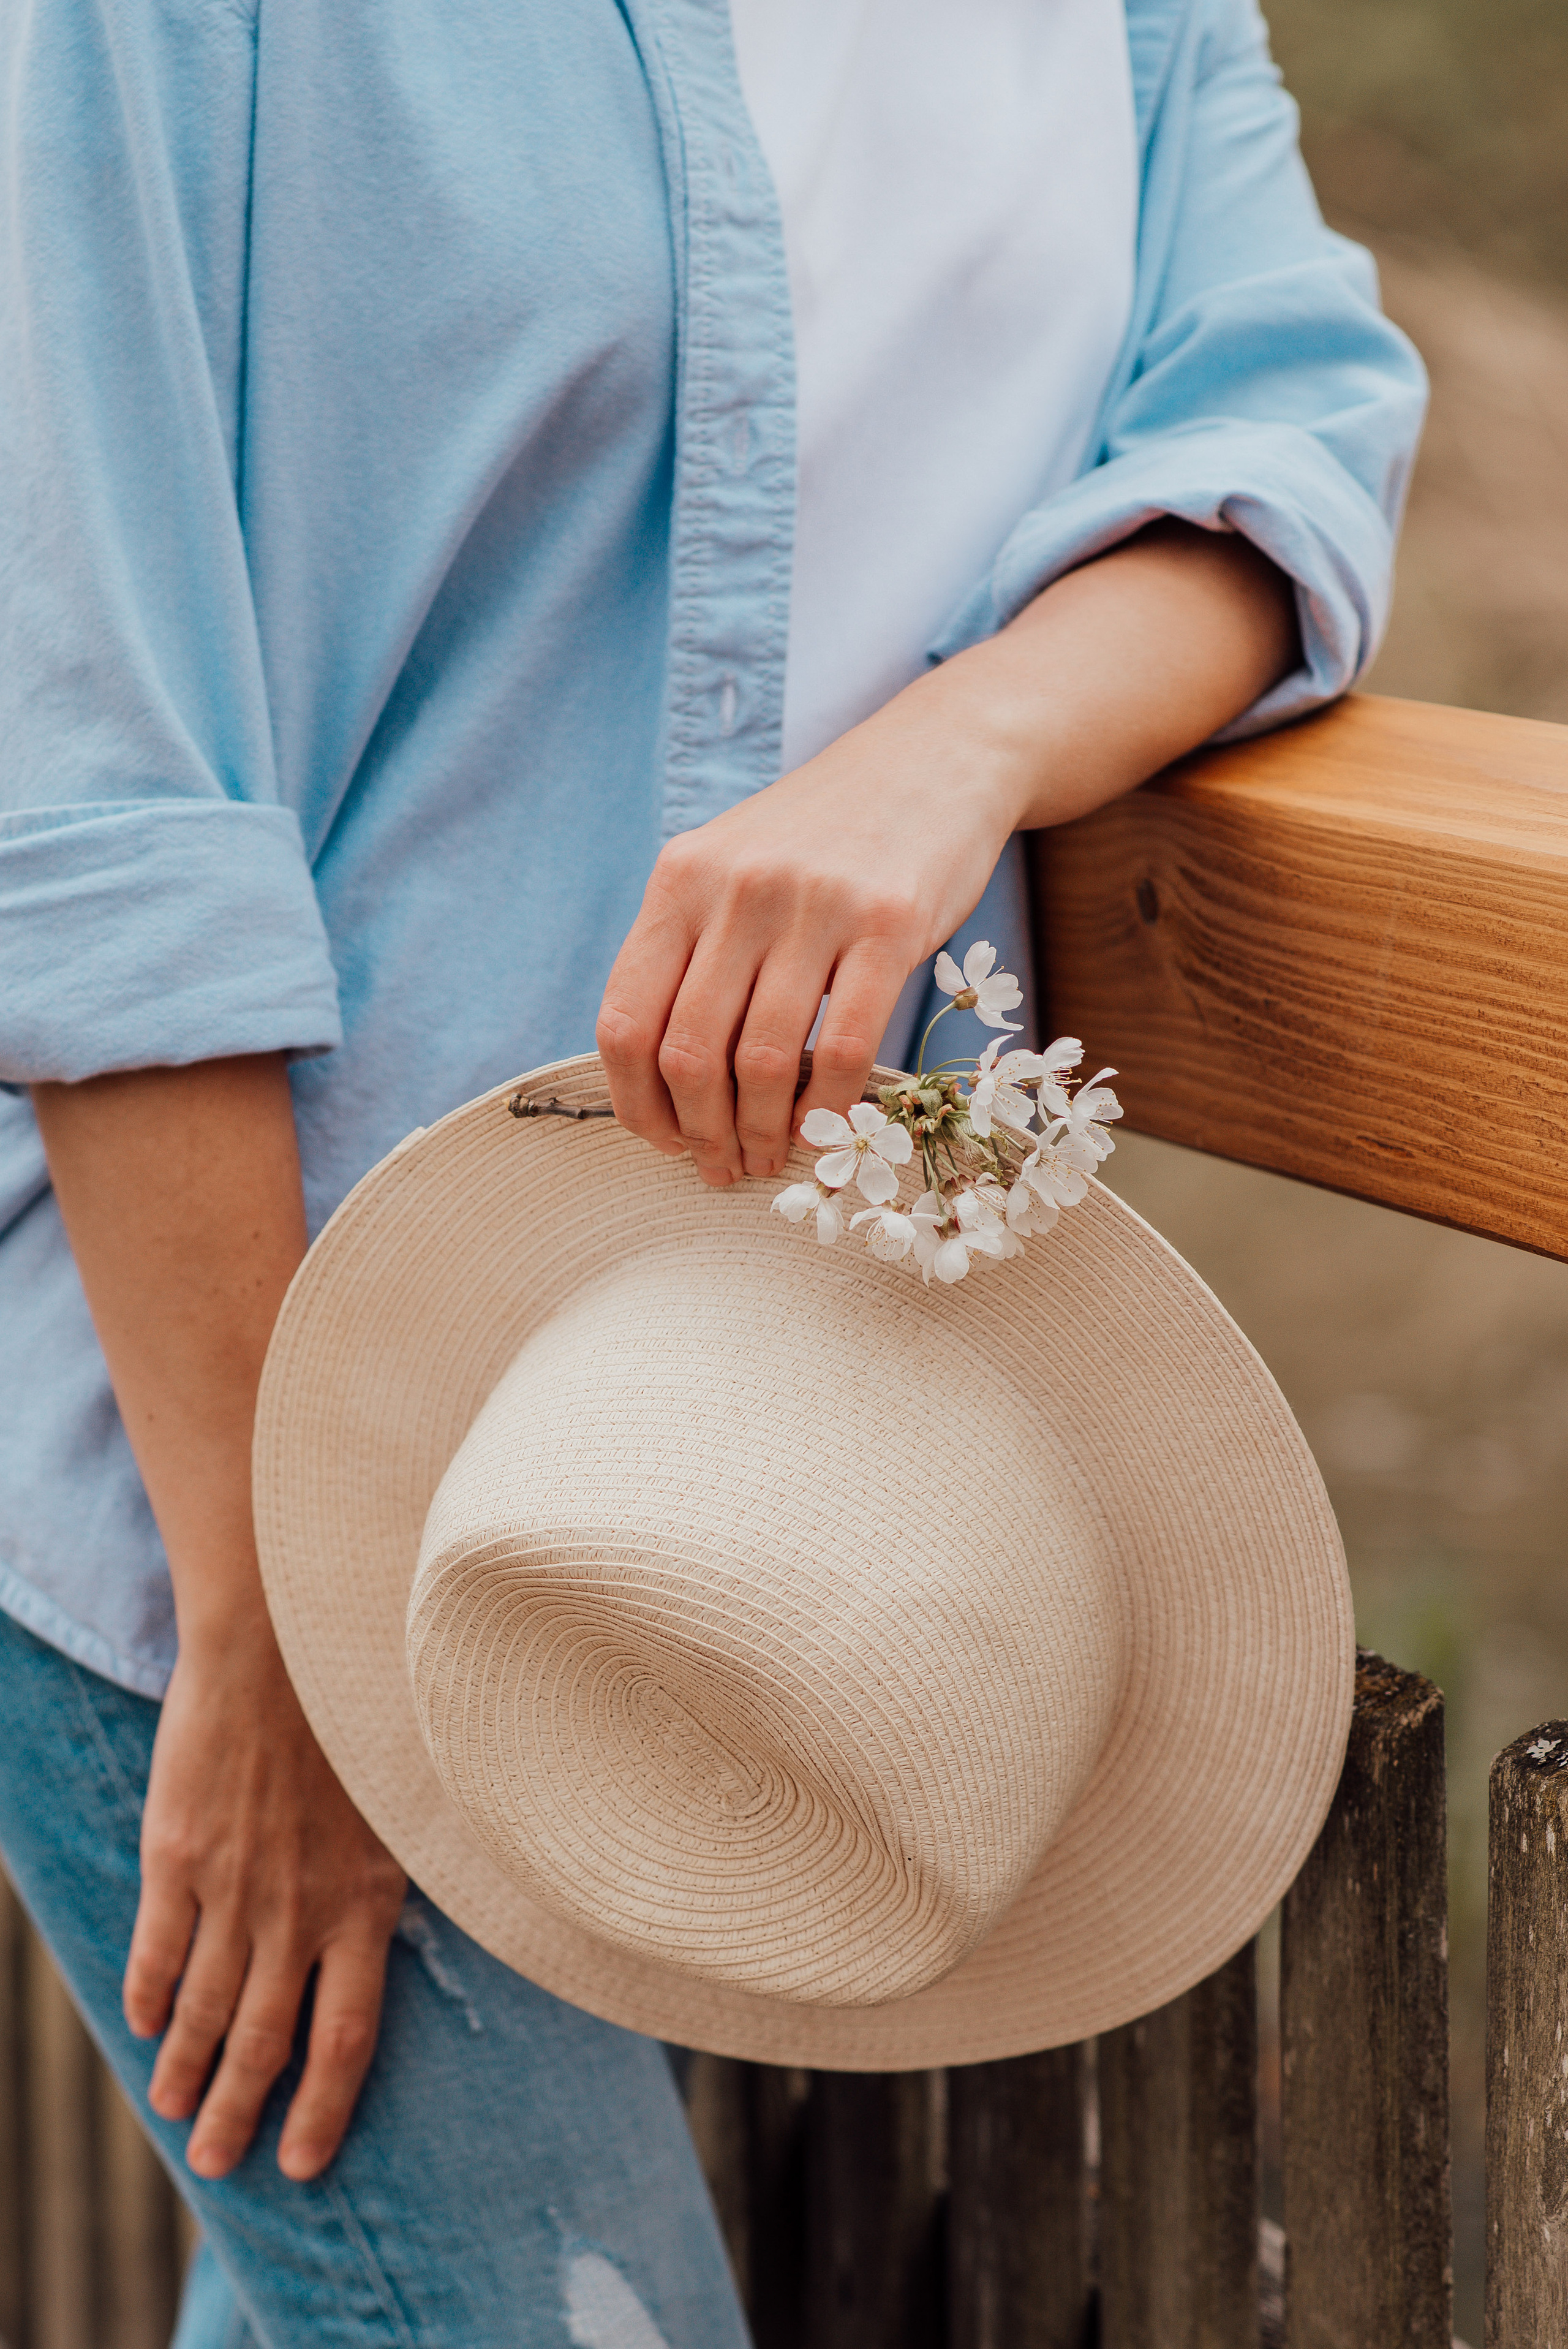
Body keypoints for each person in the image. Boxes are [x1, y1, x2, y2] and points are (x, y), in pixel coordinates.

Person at [0, 0, 1423, 2337]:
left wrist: (952, 748)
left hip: (739, 1436)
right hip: (218, 1413)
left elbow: (1287, 434)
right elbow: (89, 792)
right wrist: (281, 1630)